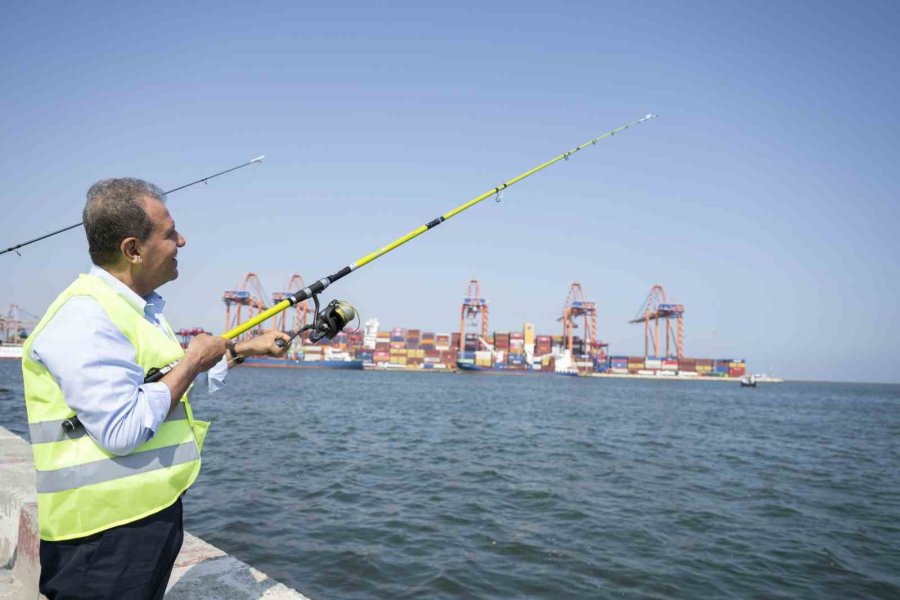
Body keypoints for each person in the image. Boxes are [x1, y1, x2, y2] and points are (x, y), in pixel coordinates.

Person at [21, 178, 290, 599]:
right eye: (169, 233)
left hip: (140, 519)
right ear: (133, 249)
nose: (182, 240)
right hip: (101, 538)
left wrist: (241, 348)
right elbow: (123, 428)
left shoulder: (133, 310)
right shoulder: (84, 318)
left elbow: (158, 381)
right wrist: (193, 361)